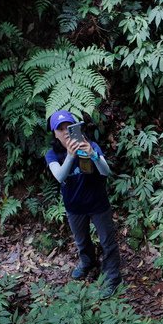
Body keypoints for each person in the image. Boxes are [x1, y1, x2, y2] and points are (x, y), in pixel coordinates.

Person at [45, 109, 122, 298]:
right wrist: (71, 155)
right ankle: (88, 263)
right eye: (60, 129)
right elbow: (60, 176)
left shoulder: (91, 145)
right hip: (74, 206)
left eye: (68, 127)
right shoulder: (52, 154)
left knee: (107, 242)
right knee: (82, 242)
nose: (65, 132)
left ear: (76, 128)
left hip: (98, 203)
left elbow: (105, 172)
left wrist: (93, 155)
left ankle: (113, 277)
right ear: (54, 133)